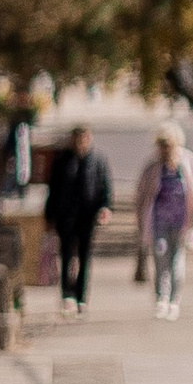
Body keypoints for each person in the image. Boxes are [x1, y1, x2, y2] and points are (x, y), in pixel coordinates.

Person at [132, 122, 193, 320]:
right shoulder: (153, 167)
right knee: (160, 259)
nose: (165, 149)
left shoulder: (188, 162)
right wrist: (140, 221)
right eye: (161, 144)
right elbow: (141, 195)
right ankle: (161, 299)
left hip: (182, 222)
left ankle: (174, 300)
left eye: (168, 144)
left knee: (177, 261)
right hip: (158, 221)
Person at [43, 122, 112, 310]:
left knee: (84, 256)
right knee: (66, 255)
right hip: (66, 216)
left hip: (87, 216)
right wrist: (49, 217)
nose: (81, 142)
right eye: (78, 138)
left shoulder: (97, 161)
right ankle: (67, 294)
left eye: (85, 138)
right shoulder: (62, 161)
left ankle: (81, 296)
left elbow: (104, 188)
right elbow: (53, 190)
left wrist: (105, 208)